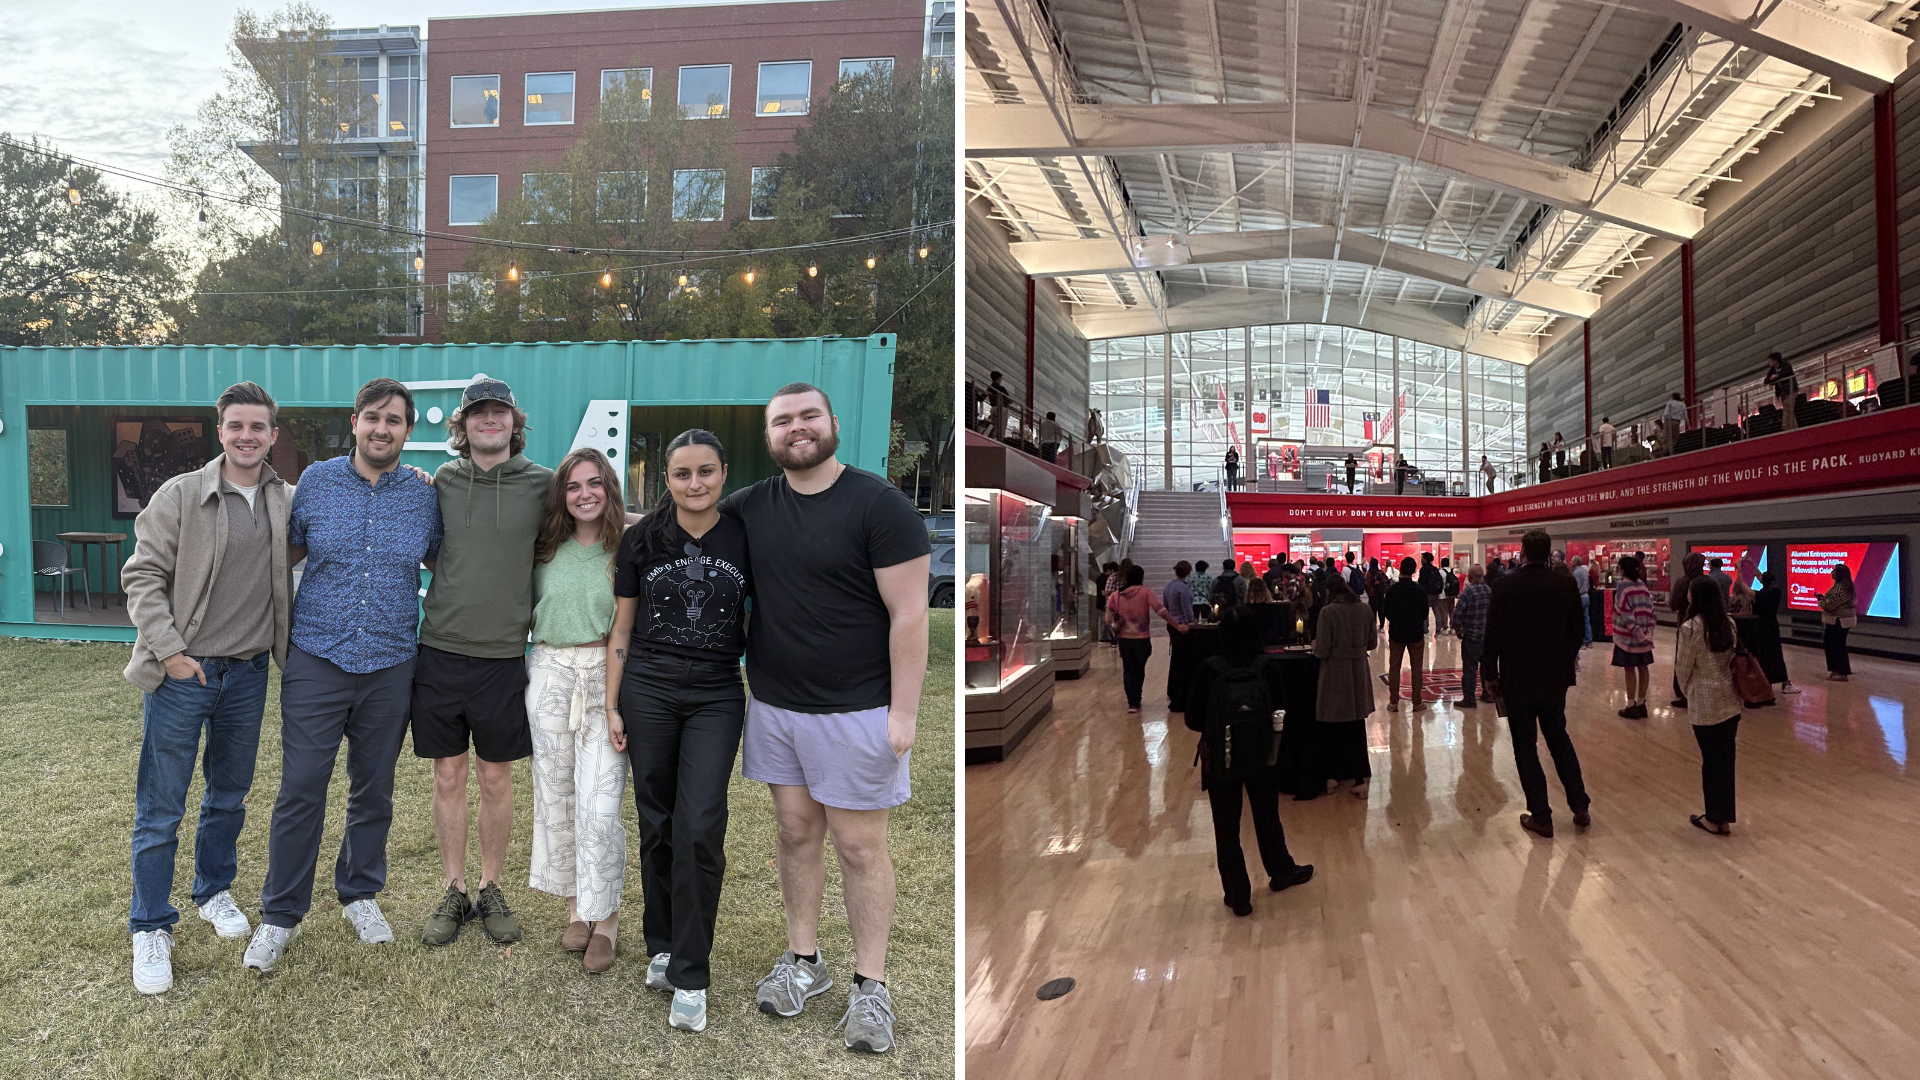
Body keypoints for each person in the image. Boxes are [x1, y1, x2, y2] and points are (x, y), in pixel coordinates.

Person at [722, 383, 929, 1054]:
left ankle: (872, 986)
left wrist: (902, 712)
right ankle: (804, 962)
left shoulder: (881, 505)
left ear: (834, 423)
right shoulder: (750, 507)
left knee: (861, 847)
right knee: (793, 833)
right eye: (782, 420)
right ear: (771, 436)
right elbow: (676, 524)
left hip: (859, 710)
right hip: (777, 706)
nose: (797, 428)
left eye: (808, 415)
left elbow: (910, 614)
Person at [247, 379, 442, 972]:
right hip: (316, 658)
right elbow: (281, 555)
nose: (383, 429)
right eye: (374, 418)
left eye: (396, 420)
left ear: (409, 431)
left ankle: (359, 893)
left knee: (373, 789)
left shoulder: (425, 496)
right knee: (302, 787)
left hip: (390, 663)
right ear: (354, 422)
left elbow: (447, 560)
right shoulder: (315, 484)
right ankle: (280, 914)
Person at [121, 381, 294, 994]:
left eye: (258, 427)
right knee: (162, 807)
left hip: (246, 675)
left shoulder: (285, 499)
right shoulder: (181, 495)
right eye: (235, 426)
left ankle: (213, 891)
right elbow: (141, 574)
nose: (247, 436)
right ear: (219, 431)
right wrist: (169, 653)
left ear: (273, 434)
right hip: (184, 675)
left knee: (228, 796)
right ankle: (150, 925)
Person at [605, 431, 749, 1029]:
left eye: (706, 472)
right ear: (666, 478)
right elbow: (622, 630)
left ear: (722, 474)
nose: (695, 484)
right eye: (683, 473)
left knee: (699, 826)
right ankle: (662, 946)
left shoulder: (745, 536)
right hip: (649, 691)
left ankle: (692, 974)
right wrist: (613, 705)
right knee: (657, 822)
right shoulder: (641, 540)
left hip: (716, 693)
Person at [415, 377, 554, 950]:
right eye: (478, 414)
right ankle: (454, 887)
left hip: (504, 656)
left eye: (499, 413)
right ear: (463, 425)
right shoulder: (441, 481)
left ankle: (492, 887)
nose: (488, 421)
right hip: (440, 649)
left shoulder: (545, 485)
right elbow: (425, 546)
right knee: (448, 774)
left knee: (496, 777)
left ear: (514, 423)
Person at [525, 450, 634, 971]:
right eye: (573, 487)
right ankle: (576, 909)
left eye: (595, 484)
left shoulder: (627, 547)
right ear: (561, 496)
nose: (584, 494)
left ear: (610, 489)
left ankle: (606, 919)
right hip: (548, 673)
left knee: (601, 803)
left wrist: (613, 702)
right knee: (558, 796)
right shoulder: (543, 548)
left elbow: (623, 630)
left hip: (604, 677)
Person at [1182, 607, 1314, 916]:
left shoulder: (1210, 668)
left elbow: (1191, 718)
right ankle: (1281, 871)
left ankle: (1238, 894)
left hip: (1220, 757)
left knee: (1226, 826)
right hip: (1262, 754)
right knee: (1267, 816)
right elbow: (1282, 709)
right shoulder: (1266, 666)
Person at [1482, 529, 1590, 838]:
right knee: (1559, 739)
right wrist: (1565, 659)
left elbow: (1494, 635)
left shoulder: (1505, 586)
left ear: (1523, 552)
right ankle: (1579, 804)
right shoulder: (1564, 583)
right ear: (1549, 552)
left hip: (1518, 679)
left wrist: (1490, 673)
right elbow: (1577, 630)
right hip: (1554, 678)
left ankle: (1541, 815)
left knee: (1525, 747)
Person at [1676, 577, 1742, 836]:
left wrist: (1687, 692)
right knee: (1725, 762)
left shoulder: (1691, 628)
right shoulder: (1729, 623)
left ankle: (1714, 818)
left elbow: (1683, 668)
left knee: (1710, 762)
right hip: (1730, 701)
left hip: (1705, 705)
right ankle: (1723, 816)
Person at [1312, 576, 1376, 797]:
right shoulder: (1365, 610)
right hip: (1358, 669)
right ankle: (1359, 779)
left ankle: (1331, 777)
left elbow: (1322, 650)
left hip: (1335, 671)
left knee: (1332, 726)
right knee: (1356, 726)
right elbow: (1372, 643)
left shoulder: (1327, 612)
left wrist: (1314, 646)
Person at [1106, 564, 1190, 712]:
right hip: (1141, 637)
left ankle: (1132, 701)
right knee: (1139, 668)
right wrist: (1177, 626)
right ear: (1141, 577)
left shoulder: (1115, 596)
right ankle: (1136, 696)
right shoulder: (1146, 593)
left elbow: (1108, 618)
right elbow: (1161, 611)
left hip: (1124, 638)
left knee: (1128, 668)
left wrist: (1116, 630)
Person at [1381, 557, 1429, 710]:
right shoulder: (1420, 590)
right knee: (1416, 668)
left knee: (1394, 667)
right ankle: (1417, 702)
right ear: (1414, 570)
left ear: (1400, 569)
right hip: (1415, 633)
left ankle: (1394, 702)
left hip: (1397, 633)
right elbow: (1424, 613)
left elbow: (1386, 612)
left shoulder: (1392, 590)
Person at [1611, 555, 1656, 718]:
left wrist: (1636, 632)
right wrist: (1647, 633)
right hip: (1644, 636)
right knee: (1643, 668)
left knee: (1629, 669)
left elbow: (1625, 612)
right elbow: (1651, 611)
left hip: (1628, 638)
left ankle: (1630, 705)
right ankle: (1642, 702)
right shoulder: (1642, 585)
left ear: (1623, 569)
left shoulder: (1623, 586)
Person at [1749, 572, 1798, 695]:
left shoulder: (1760, 594)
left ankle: (1768, 683)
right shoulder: (1775, 592)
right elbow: (1763, 579)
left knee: (1765, 656)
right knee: (1776, 655)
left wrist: (1739, 570)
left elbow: (1744, 587)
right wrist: (1753, 565)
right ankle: (1783, 683)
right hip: (1771, 627)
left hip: (1761, 628)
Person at [1669, 551, 1706, 709]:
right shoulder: (1706, 581)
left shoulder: (1683, 582)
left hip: (1686, 621)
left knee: (1684, 656)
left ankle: (1683, 692)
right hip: (1706, 621)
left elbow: (1673, 604)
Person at [1453, 564, 1491, 709]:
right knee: (1486, 667)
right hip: (1487, 638)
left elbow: (1457, 613)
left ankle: (1469, 698)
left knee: (1470, 668)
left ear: (1470, 576)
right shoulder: (1490, 591)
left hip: (1471, 637)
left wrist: (1458, 628)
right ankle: (1487, 694)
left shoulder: (1467, 592)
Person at [1818, 562, 1857, 682]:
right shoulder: (1841, 586)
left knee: (1837, 646)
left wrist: (1821, 601)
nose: (1831, 572)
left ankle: (1842, 672)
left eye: (1834, 571)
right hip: (1836, 620)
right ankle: (1835, 670)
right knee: (1831, 644)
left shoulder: (1841, 588)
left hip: (1840, 621)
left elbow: (1830, 605)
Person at [1764, 352, 1798, 430]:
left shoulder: (1786, 366)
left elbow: (1787, 373)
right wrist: (1771, 379)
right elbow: (1766, 381)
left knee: (1787, 408)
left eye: (1770, 360)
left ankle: (1786, 426)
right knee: (1789, 409)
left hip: (1791, 390)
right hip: (1783, 393)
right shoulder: (1772, 370)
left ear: (1775, 360)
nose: (1769, 363)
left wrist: (1777, 376)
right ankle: (1794, 427)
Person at [1417, 553, 1444, 637]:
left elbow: (1421, 582)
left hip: (1426, 593)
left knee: (1425, 612)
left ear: (1425, 559)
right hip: (1435, 593)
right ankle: (1438, 630)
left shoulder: (1423, 570)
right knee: (1437, 612)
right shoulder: (1435, 569)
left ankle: (1425, 631)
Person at [984, 370, 1012, 440]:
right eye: (1001, 378)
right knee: (1001, 426)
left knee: (994, 425)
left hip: (993, 408)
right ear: (998, 378)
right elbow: (1010, 400)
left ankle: (993, 437)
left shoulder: (990, 387)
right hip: (1002, 408)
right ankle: (999, 439)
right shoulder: (1001, 388)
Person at [1572, 555, 1592, 648]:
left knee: (1579, 620)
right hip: (1586, 596)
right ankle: (1589, 640)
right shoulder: (1585, 570)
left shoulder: (1575, 572)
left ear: (1575, 562)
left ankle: (1582, 642)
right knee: (1586, 619)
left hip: (1580, 597)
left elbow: (1577, 586)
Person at [1365, 558, 1389, 629]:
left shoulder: (1369, 574)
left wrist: (1369, 592)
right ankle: (1382, 625)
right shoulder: (1381, 573)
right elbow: (1387, 581)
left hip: (1372, 595)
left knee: (1373, 611)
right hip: (1380, 594)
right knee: (1381, 610)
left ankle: (1373, 625)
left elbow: (1366, 584)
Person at [1438, 558, 1459, 634]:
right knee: (1451, 610)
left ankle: (1444, 628)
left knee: (1443, 611)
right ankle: (1452, 627)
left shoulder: (1440, 572)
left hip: (1443, 594)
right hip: (1452, 593)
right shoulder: (1452, 571)